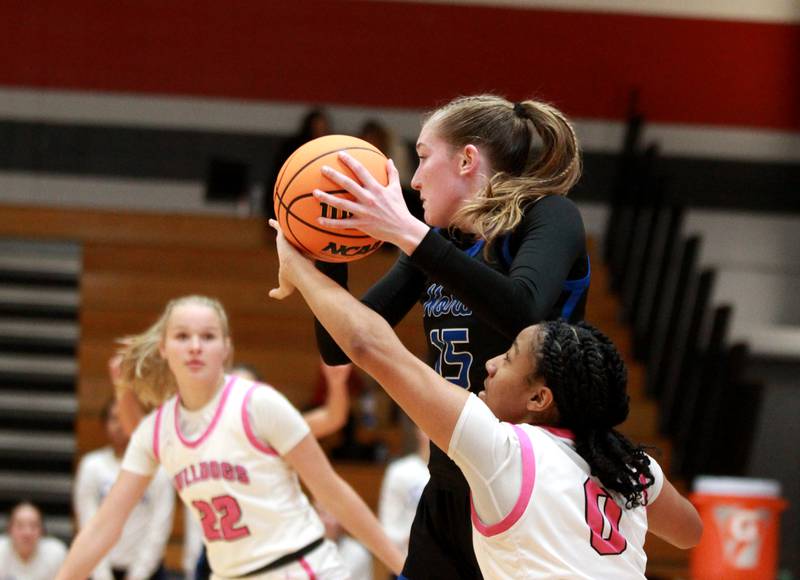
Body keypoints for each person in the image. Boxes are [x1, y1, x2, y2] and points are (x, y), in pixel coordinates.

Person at [268, 227, 704, 578]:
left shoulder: (505, 453)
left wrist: (300, 269)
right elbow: (689, 531)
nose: (491, 363)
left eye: (510, 357)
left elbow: (368, 345)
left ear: (539, 396)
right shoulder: (624, 462)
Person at [311, 94, 590, 578]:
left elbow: (523, 312)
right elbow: (338, 345)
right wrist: (328, 245)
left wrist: (408, 234)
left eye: (421, 157)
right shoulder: (440, 243)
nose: (413, 179)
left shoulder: (548, 216)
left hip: (530, 482)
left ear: (467, 160)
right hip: (449, 481)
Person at [56, 295, 403, 580]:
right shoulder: (156, 430)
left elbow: (334, 493)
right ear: (163, 348)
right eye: (182, 336)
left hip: (300, 568)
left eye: (207, 337)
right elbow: (104, 525)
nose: (195, 347)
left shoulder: (258, 403)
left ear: (226, 348)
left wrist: (403, 566)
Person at [187, 360, 354, 580]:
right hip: (224, 555)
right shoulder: (203, 438)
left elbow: (333, 417)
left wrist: (336, 383)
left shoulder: (275, 431)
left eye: (245, 390)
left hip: (273, 555)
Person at [73, 399, 174, 580]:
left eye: (123, 418)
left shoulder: (158, 469)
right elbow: (87, 521)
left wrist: (138, 574)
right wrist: (102, 575)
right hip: (99, 569)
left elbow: (160, 525)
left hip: (148, 570)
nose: (119, 425)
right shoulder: (92, 466)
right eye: (113, 419)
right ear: (104, 424)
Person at [266, 107, 332, 218]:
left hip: (318, 203)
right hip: (293, 197)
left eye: (323, 126)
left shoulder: (330, 148)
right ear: (309, 127)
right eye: (317, 126)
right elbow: (277, 178)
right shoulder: (293, 148)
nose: (320, 130)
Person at [377, 426, 429, 563]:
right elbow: (387, 526)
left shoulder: (458, 474)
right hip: (405, 562)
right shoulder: (400, 472)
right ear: (418, 430)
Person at [0, 501, 67, 580]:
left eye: (33, 526)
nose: (27, 533)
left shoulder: (57, 553)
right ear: (9, 529)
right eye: (20, 526)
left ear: (42, 530)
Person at [315, 501, 373, 580]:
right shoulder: (301, 549)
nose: (323, 521)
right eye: (318, 513)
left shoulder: (356, 553)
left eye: (329, 515)